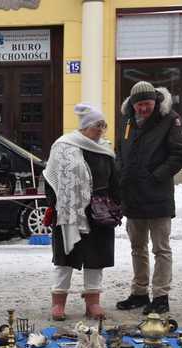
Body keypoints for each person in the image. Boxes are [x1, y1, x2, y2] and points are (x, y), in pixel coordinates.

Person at [115, 81, 182, 315]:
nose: (143, 109)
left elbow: (181, 154)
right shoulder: (127, 120)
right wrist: (120, 174)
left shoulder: (170, 119)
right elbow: (120, 151)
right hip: (133, 195)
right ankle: (139, 293)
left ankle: (160, 296)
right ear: (133, 104)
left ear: (155, 102)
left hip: (157, 194)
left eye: (147, 104)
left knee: (161, 248)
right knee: (137, 248)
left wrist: (155, 176)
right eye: (139, 105)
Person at [43, 104, 119, 321]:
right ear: (85, 127)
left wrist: (116, 203)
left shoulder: (105, 149)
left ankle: (93, 303)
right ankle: (58, 304)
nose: (101, 130)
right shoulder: (63, 146)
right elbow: (50, 177)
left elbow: (115, 178)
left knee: (97, 257)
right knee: (65, 258)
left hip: (100, 212)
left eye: (104, 126)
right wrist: (56, 203)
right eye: (98, 125)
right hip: (68, 211)